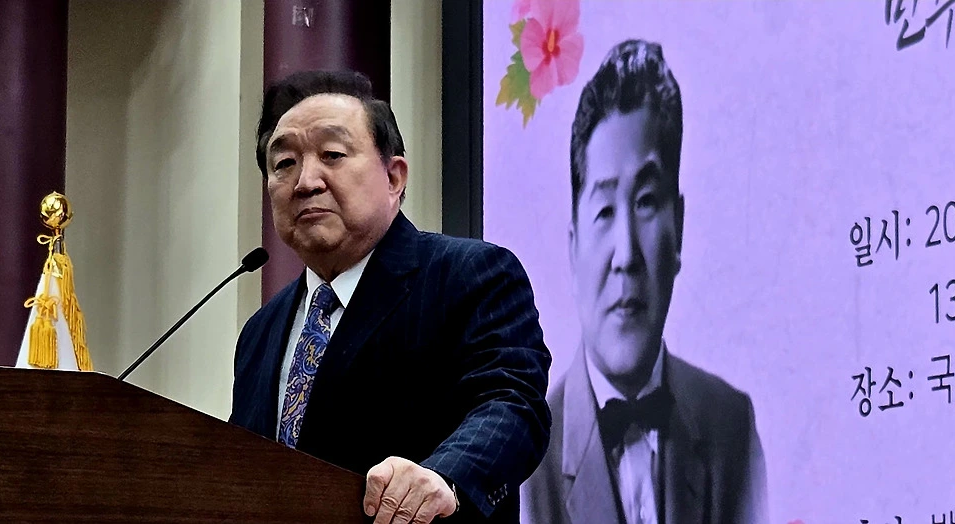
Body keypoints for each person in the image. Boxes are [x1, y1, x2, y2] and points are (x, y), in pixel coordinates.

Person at [230, 70, 552, 524]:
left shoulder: (470, 275)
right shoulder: (260, 331)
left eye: (332, 154)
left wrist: (443, 476)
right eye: (283, 163)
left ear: (394, 177)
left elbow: (512, 403)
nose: (305, 182)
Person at [520, 40, 767, 524]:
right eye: (605, 210)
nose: (627, 255)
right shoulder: (528, 458)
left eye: (647, 202)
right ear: (573, 245)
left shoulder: (732, 427)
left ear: (679, 227)